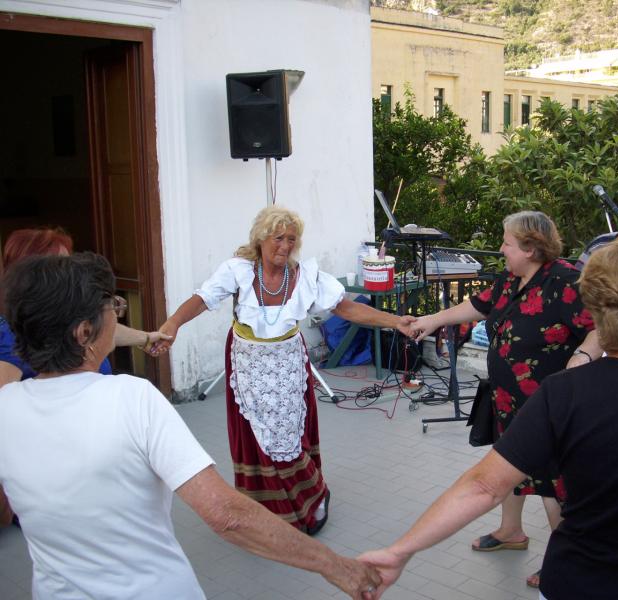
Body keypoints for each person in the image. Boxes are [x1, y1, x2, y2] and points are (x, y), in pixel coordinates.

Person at [361, 236, 618, 600]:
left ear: (596, 309)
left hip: (581, 583)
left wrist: (401, 551)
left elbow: (484, 486)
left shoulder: (565, 393)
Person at [0, 253, 382, 599]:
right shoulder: (132, 399)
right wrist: (337, 566)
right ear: (84, 332)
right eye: (112, 308)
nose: (116, 315)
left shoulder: (6, 407)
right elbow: (226, 515)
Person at [152, 206, 415, 535]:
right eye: (279, 238)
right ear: (261, 238)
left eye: (292, 239)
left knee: (289, 434)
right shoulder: (239, 270)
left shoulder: (306, 276)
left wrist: (395, 322)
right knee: (256, 435)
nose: (286, 245)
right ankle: (263, 509)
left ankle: (311, 497)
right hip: (248, 362)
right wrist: (173, 323)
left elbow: (346, 308)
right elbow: (203, 298)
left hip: (288, 362)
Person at [411, 210, 602, 587]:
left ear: (531, 249)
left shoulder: (566, 282)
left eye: (507, 243)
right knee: (510, 462)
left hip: (548, 403)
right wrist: (432, 319)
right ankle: (511, 531)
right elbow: (478, 306)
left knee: (550, 482)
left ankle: (566, 562)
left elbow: (600, 328)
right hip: (508, 398)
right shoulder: (512, 279)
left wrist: (582, 358)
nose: (501, 249)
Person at [0, 227, 170, 388]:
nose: (74, 272)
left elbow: (101, 327)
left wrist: (146, 338)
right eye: (63, 266)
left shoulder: (68, 312)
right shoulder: (10, 335)